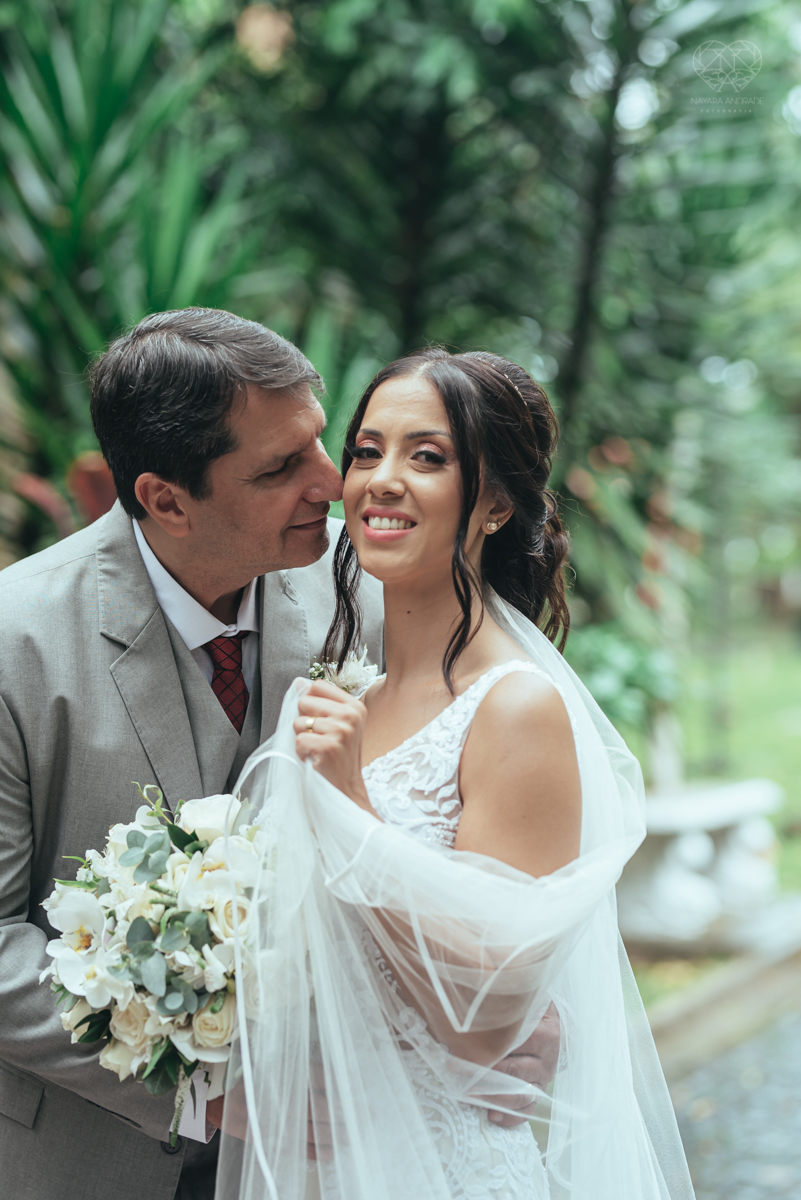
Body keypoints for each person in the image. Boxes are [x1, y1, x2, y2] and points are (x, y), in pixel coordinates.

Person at [0, 312, 554, 1200]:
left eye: (320, 445)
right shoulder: (14, 642)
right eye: (280, 468)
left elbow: (500, 792)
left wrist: (507, 994)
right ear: (166, 499)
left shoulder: (366, 577)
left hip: (356, 1154)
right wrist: (206, 1092)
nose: (336, 484)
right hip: (87, 1159)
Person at [217, 349, 696, 1199]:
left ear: (496, 504)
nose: (382, 480)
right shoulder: (345, 672)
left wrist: (349, 803)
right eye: (367, 452)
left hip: (439, 1166)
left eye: (427, 457)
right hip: (319, 1158)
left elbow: (485, 1026)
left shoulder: (514, 707)